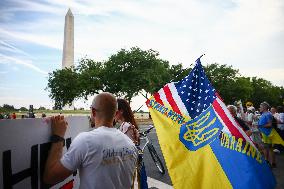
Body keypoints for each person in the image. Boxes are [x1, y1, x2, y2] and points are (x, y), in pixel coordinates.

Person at [44, 92, 138, 189]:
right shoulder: (130, 143)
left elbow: (50, 177)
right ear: (116, 113)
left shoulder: (85, 141)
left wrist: (58, 136)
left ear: (93, 112)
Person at [257, 101, 275, 167]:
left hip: (267, 133)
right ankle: (268, 161)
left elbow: (270, 124)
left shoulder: (268, 114)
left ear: (264, 107)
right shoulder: (264, 114)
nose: (259, 108)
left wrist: (260, 126)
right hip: (264, 133)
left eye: (260, 106)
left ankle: (272, 163)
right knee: (266, 147)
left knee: (269, 148)